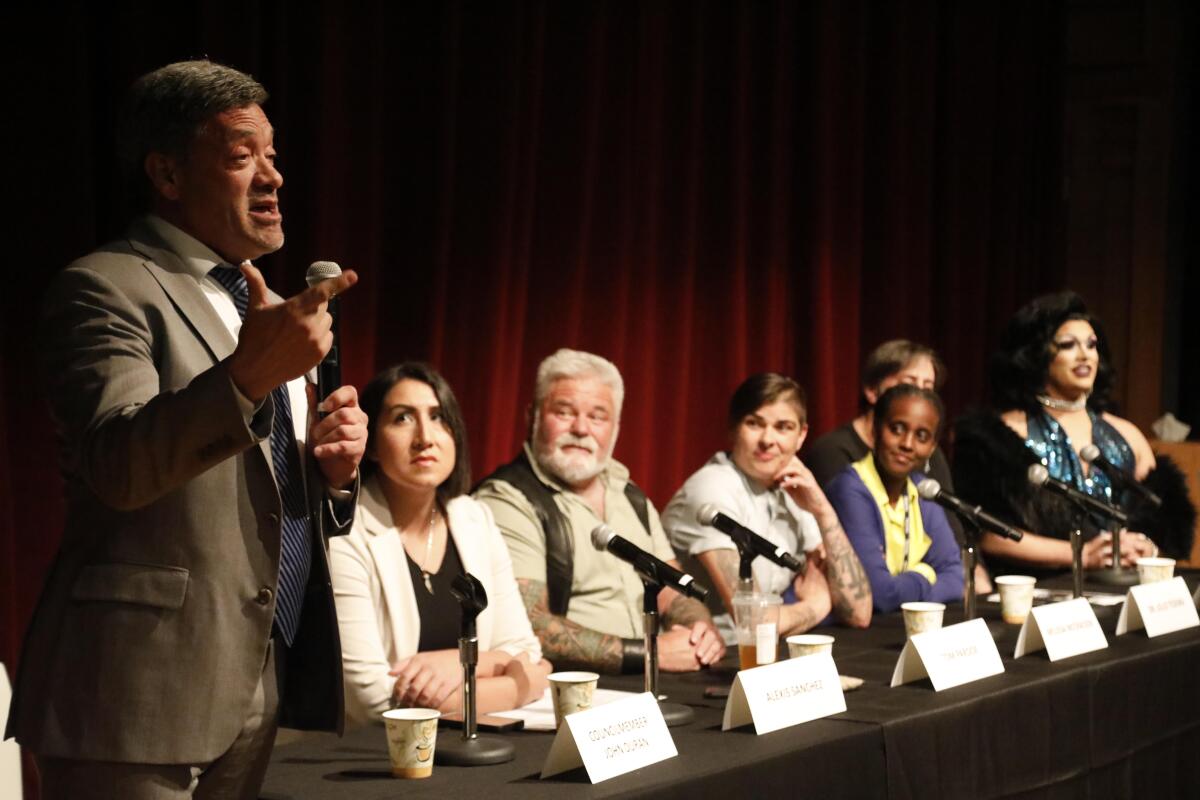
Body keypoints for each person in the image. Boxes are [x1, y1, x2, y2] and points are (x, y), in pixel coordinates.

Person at [5, 61, 368, 799]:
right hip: (134, 690)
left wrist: (331, 475)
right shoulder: (105, 287)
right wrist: (248, 376)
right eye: (242, 157)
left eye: (273, 156)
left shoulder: (258, 304)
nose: (273, 178)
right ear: (168, 174)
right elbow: (118, 464)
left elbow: (254, 485)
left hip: (252, 679)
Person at [474, 349, 726, 675]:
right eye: (564, 412)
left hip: (653, 681)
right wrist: (649, 653)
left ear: (616, 427)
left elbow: (670, 586)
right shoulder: (506, 500)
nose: (581, 428)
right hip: (568, 689)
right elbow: (529, 626)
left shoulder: (628, 493)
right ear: (532, 417)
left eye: (597, 417)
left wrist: (699, 629)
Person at [330, 363, 550, 725]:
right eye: (402, 418)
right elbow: (373, 700)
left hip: (482, 744)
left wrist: (458, 661)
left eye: (438, 417)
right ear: (370, 444)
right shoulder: (346, 531)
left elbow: (525, 649)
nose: (425, 437)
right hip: (379, 758)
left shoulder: (475, 519)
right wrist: (514, 687)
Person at [954, 291, 1194, 579]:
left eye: (1092, 345)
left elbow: (1168, 522)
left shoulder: (1126, 434)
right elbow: (987, 534)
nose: (1085, 355)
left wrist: (1147, 548)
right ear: (1036, 355)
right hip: (1042, 592)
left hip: (1123, 587)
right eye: (1068, 345)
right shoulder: (998, 437)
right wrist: (1080, 554)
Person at [662, 373, 873, 643]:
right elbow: (755, 624)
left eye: (783, 427)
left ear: (801, 436)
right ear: (733, 430)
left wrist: (822, 509)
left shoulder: (795, 488)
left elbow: (859, 613)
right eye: (754, 424)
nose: (767, 439)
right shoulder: (712, 490)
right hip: (707, 657)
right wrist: (817, 605)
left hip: (765, 652)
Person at [805, 339, 991, 593]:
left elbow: (952, 541)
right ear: (872, 390)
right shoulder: (837, 456)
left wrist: (966, 575)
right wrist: (927, 572)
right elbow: (872, 570)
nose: (921, 396)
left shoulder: (924, 463)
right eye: (910, 383)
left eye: (929, 388)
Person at [825, 385, 964, 613]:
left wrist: (904, 585)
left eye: (921, 436)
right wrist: (926, 573)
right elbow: (880, 595)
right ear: (875, 430)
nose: (907, 444)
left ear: (932, 448)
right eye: (897, 429)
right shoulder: (850, 489)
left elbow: (955, 581)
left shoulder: (923, 491)